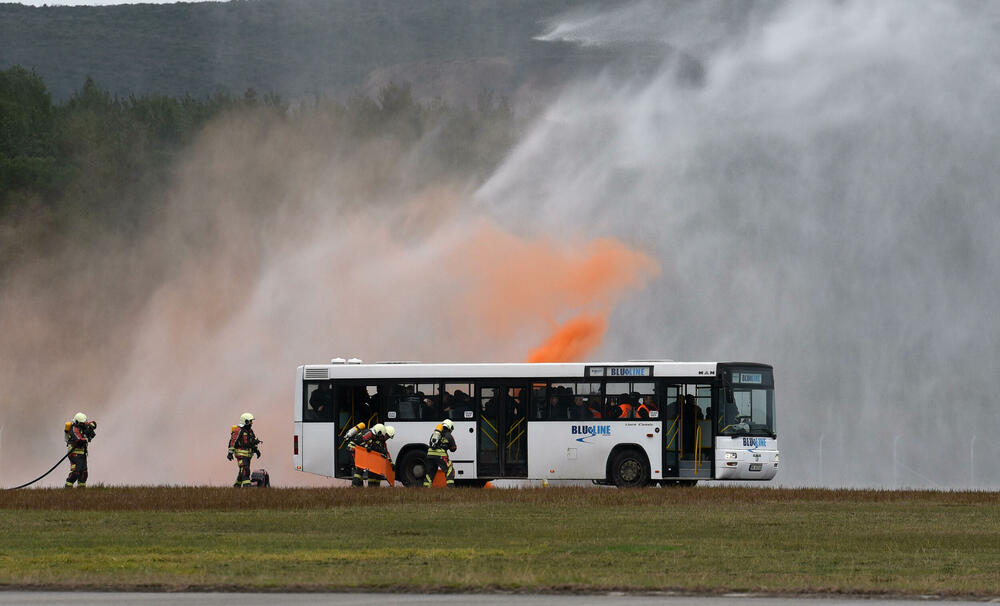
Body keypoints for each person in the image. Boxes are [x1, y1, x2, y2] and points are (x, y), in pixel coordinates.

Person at [353, 423, 395, 487]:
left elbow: (386, 452)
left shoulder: (382, 441)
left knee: (375, 472)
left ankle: (372, 488)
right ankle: (355, 487)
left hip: (368, 456)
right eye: (387, 436)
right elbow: (361, 441)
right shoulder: (371, 435)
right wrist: (367, 447)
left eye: (389, 437)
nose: (387, 438)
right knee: (359, 470)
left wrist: (391, 463)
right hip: (359, 453)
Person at [228, 412, 262, 487]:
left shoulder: (250, 431)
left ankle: (237, 486)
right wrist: (230, 453)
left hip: (248, 455)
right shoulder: (239, 430)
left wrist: (256, 450)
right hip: (241, 455)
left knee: (242, 471)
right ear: (245, 421)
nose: (252, 423)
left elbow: (252, 441)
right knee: (246, 470)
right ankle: (247, 486)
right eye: (250, 421)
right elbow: (233, 441)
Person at [64, 412, 96, 488]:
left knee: (84, 473)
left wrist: (91, 427)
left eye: (84, 423)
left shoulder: (83, 426)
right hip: (74, 453)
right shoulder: (74, 430)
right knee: (76, 471)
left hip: (83, 453)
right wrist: (88, 437)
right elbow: (79, 441)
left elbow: (93, 423)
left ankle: (81, 488)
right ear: (77, 422)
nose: (84, 425)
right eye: (82, 423)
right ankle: (68, 487)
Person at [424, 419, 457, 487]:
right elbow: (453, 448)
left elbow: (431, 444)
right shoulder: (449, 435)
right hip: (440, 455)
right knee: (449, 469)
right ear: (450, 427)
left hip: (430, 455)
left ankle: (426, 486)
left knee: (430, 471)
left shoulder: (434, 434)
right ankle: (450, 486)